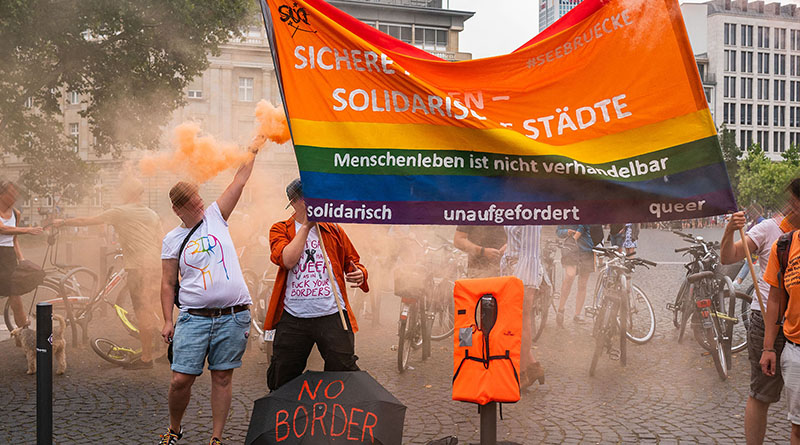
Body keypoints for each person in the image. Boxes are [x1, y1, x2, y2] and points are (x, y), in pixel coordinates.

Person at [158, 136, 264, 445]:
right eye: (192, 202)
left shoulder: (217, 215)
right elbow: (167, 282)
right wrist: (168, 320)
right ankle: (175, 429)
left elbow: (240, 180)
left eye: (199, 197)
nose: (199, 204)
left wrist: (252, 148)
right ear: (178, 209)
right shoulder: (172, 239)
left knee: (222, 377)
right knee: (180, 380)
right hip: (194, 318)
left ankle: (216, 438)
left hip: (233, 317)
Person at [264, 179, 368, 390]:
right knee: (283, 376)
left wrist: (360, 273)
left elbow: (353, 261)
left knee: (343, 372)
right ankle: (287, 418)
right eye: (308, 197)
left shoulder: (333, 230)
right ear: (294, 202)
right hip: (294, 317)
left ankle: (334, 417)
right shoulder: (280, 229)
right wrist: (307, 226)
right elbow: (287, 260)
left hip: (332, 314)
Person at [53, 177, 163, 368]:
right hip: (157, 267)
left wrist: (62, 222)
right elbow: (161, 242)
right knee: (161, 311)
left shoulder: (120, 212)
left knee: (143, 313)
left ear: (127, 193)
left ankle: (146, 358)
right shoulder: (152, 214)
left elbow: (87, 220)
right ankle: (169, 352)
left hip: (138, 268)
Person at [722, 207, 797, 445]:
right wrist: (729, 231)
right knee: (761, 394)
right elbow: (729, 257)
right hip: (767, 320)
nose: (791, 207)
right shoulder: (768, 229)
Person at [500, 225, 545, 389]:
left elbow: (530, 251)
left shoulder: (532, 209)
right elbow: (516, 238)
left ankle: (522, 372)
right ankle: (533, 367)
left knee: (521, 319)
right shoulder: (516, 203)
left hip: (523, 272)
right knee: (512, 320)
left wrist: (520, 280)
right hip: (511, 269)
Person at [0, 181, 43, 328]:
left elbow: (14, 239)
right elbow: (3, 229)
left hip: (8, 257)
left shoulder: (15, 213)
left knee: (16, 300)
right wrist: (28, 230)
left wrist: (21, 259)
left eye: (15, 194)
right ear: (2, 194)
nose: (14, 197)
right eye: (11, 193)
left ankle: (23, 338)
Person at [555, 225, 598, 326]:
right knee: (570, 277)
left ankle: (577, 314)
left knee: (582, 284)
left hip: (586, 250)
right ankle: (561, 309)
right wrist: (567, 231)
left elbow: (583, 226)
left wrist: (575, 236)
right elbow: (558, 232)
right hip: (570, 250)